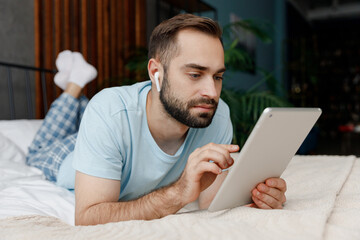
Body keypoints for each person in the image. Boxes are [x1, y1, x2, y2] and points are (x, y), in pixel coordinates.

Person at [26, 14, 287, 226]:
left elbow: (212, 201)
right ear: (155, 72)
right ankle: (74, 88)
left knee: (95, 116)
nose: (212, 93)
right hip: (64, 156)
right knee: (35, 152)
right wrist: (178, 191)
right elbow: (88, 217)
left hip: (110, 127)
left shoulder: (216, 115)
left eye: (217, 76)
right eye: (195, 74)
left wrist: (257, 197)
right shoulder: (108, 110)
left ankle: (78, 99)